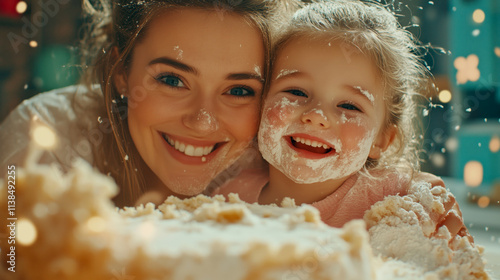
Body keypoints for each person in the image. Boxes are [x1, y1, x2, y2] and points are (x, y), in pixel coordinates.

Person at [214, 0, 471, 240]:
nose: (316, 116)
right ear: (261, 102)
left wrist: (425, 192)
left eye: (349, 106)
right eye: (296, 92)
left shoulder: (394, 201)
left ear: (382, 139)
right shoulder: (228, 200)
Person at [0, 0, 296, 207]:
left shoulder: (281, 165)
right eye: (172, 80)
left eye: (239, 90)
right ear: (121, 71)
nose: (202, 121)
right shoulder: (45, 144)